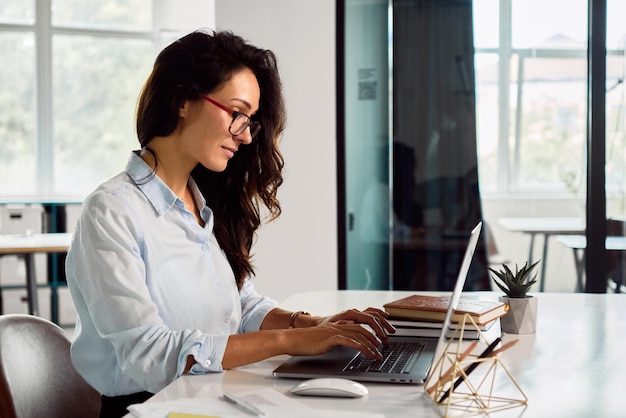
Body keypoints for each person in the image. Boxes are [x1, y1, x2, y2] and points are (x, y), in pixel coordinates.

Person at [65, 29, 395, 417]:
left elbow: (241, 304)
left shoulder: (203, 204)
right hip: (151, 408)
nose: (245, 136)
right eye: (237, 113)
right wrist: (291, 341)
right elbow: (149, 354)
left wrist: (315, 326)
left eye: (250, 121)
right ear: (183, 100)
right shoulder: (112, 211)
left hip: (212, 395)